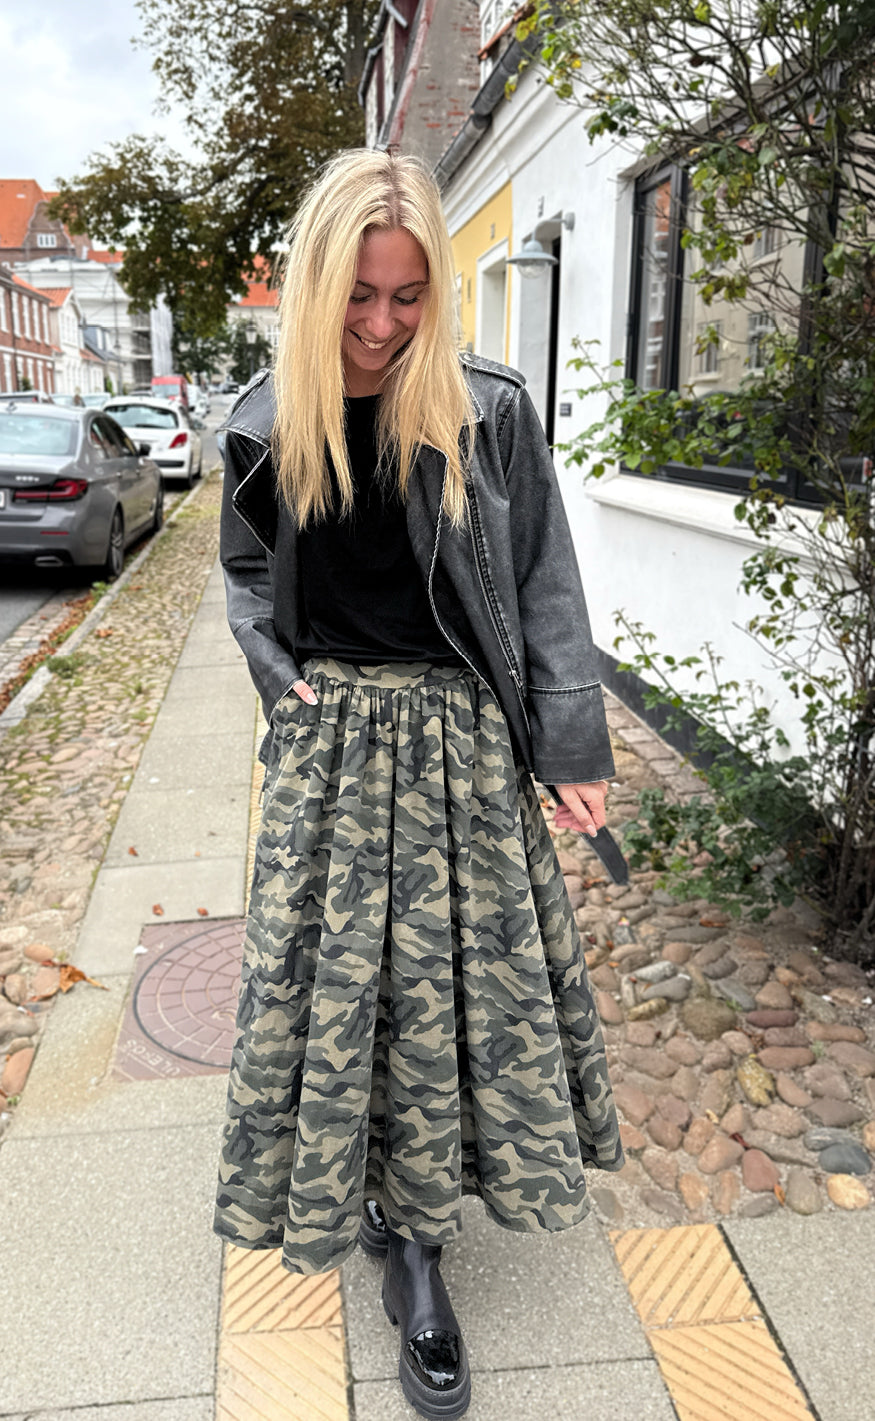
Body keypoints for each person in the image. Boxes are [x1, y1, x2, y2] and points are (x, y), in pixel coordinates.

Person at [215, 148, 623, 1421]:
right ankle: (369, 1205)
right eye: (357, 295)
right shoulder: (260, 422)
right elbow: (245, 574)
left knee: (454, 1000)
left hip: (460, 749)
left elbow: (543, 577)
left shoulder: (483, 407)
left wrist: (568, 745)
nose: (383, 324)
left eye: (408, 295)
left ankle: (423, 1252)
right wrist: (278, 677)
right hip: (329, 751)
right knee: (338, 999)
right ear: (313, 284)